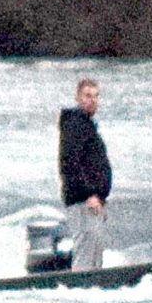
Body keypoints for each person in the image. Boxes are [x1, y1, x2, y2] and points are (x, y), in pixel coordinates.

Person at [58, 77, 111, 270]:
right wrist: (89, 194)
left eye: (96, 96)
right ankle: (78, 290)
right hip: (82, 200)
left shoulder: (88, 126)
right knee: (86, 245)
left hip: (94, 200)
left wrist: (100, 196)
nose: (92, 100)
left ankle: (94, 289)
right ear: (78, 97)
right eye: (87, 95)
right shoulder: (75, 124)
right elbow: (70, 163)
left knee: (95, 247)